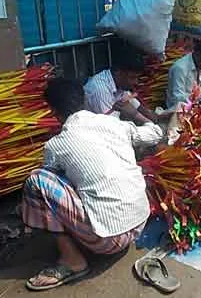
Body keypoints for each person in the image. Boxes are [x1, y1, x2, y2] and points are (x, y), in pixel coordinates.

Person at [22, 78, 163, 291]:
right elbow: (156, 133)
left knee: (37, 181)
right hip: (139, 223)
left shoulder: (56, 144)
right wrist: (136, 114)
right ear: (84, 99)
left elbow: (52, 188)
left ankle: (73, 261)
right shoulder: (114, 124)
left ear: (55, 113)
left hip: (108, 241)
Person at [84, 52, 158, 123]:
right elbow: (113, 127)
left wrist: (154, 117)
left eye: (137, 78)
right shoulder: (100, 90)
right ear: (118, 72)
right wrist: (135, 115)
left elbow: (135, 105)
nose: (136, 82)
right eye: (132, 78)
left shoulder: (119, 83)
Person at [166, 38, 201, 110]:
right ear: (198, 55)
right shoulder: (180, 68)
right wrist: (200, 98)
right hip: (179, 111)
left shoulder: (199, 66)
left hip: (195, 107)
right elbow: (177, 98)